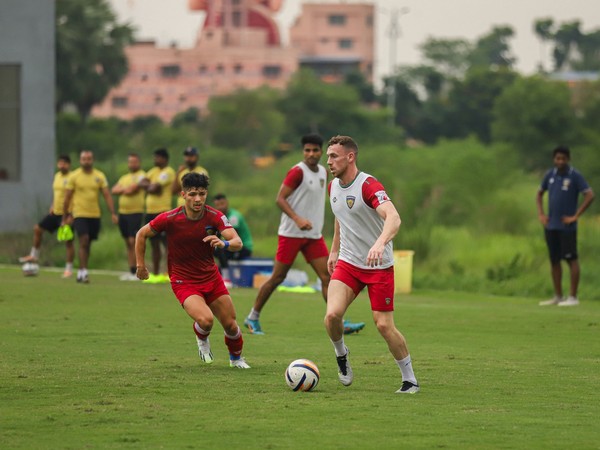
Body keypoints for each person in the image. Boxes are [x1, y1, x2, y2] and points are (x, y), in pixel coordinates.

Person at [324, 135, 419, 394]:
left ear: (350, 157)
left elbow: (394, 217)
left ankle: (409, 379)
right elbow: (340, 217)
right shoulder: (333, 187)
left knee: (384, 325)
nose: (328, 161)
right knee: (332, 315)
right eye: (328, 155)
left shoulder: (368, 185)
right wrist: (334, 250)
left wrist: (379, 243)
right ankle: (342, 355)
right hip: (349, 264)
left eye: (334, 156)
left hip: (378, 266)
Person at [243, 134, 365, 335]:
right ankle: (252, 317)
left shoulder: (324, 173)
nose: (311, 154)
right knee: (277, 277)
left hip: (313, 236)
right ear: (303, 152)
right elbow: (280, 199)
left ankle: (338, 321)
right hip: (291, 234)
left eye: (315, 150)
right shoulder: (297, 172)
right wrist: (297, 218)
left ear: (321, 152)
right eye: (307, 150)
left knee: (328, 276)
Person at [135, 172, 250, 369]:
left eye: (202, 194)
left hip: (211, 278)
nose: (198, 199)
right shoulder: (170, 218)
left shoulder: (215, 216)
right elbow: (141, 234)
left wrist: (223, 242)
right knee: (206, 321)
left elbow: (237, 242)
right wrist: (140, 265)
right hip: (184, 281)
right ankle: (202, 338)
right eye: (193, 194)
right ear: (183, 194)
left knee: (231, 325)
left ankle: (236, 359)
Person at [537, 146, 594, 307]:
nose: (560, 161)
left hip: (567, 226)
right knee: (554, 260)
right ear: (554, 159)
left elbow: (590, 195)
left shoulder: (574, 175)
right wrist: (541, 214)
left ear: (568, 159)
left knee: (571, 259)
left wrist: (575, 215)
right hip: (551, 225)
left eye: (563, 158)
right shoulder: (550, 175)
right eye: (557, 158)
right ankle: (558, 296)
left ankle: (573, 297)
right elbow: (539, 193)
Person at [61, 150, 118, 283]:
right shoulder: (74, 176)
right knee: (84, 240)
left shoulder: (99, 176)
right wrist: (65, 217)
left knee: (88, 244)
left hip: (95, 214)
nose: (86, 161)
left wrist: (113, 213)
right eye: (84, 159)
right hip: (79, 214)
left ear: (93, 160)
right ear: (80, 160)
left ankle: (82, 270)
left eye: (89, 159)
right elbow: (67, 197)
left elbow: (107, 195)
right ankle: (83, 271)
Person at [19, 155, 75, 278]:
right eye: (60, 163)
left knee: (68, 242)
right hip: (55, 212)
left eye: (64, 163)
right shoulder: (57, 176)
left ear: (69, 165)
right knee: (38, 229)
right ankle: (34, 255)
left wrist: (72, 215)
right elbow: (57, 194)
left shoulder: (73, 177)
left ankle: (68, 269)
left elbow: (75, 196)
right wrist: (52, 205)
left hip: (68, 214)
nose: (62, 165)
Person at [139, 148, 176, 283]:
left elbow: (154, 188)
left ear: (165, 159)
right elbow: (142, 183)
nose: (155, 160)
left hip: (163, 211)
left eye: (158, 158)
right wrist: (150, 186)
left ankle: (169, 273)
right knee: (153, 243)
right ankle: (154, 274)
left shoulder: (168, 172)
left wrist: (150, 187)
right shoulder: (153, 171)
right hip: (150, 211)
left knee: (167, 244)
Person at [111, 153, 146, 281]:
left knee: (134, 241)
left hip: (135, 212)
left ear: (139, 162)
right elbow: (114, 190)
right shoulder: (124, 177)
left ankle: (139, 270)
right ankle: (131, 270)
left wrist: (123, 190)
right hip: (123, 213)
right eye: (130, 162)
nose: (132, 164)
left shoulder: (142, 175)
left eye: (135, 162)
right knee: (127, 242)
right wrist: (124, 189)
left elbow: (133, 189)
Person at [212, 193, 253, 286]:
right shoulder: (217, 216)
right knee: (213, 249)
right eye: (217, 205)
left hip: (244, 247)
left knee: (221, 248)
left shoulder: (234, 216)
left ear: (227, 203)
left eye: (222, 204)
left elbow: (233, 237)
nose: (220, 207)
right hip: (230, 246)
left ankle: (226, 279)